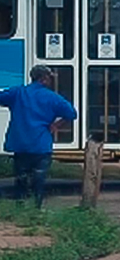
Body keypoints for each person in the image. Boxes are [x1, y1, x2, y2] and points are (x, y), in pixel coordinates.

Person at [0, 65, 78, 208]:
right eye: (49, 78)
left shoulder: (18, 93)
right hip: (41, 145)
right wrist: (57, 125)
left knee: (21, 179)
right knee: (39, 180)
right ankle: (36, 208)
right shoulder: (52, 97)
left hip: (20, 143)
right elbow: (72, 113)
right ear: (44, 79)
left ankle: (20, 207)